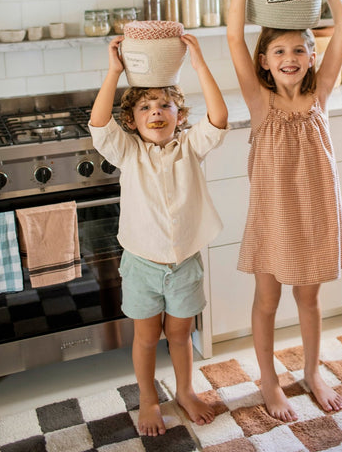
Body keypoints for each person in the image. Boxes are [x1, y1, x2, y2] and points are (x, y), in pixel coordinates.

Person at [227, 0, 342, 419]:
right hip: (272, 218)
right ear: (265, 60)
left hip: (317, 215)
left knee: (310, 301)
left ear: (312, 56)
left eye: (300, 48)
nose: (290, 57)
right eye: (279, 50)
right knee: (266, 301)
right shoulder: (260, 105)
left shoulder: (321, 94)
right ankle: (268, 381)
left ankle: (312, 371)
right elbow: (235, 35)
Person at [89, 33, 228, 437]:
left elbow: (218, 118)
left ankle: (185, 391)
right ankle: (149, 398)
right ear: (132, 121)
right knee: (147, 337)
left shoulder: (191, 147)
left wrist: (201, 65)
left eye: (165, 105)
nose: (156, 113)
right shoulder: (128, 152)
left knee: (182, 336)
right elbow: (99, 124)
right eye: (146, 107)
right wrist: (114, 72)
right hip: (142, 266)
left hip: (184, 264)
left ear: (179, 115)